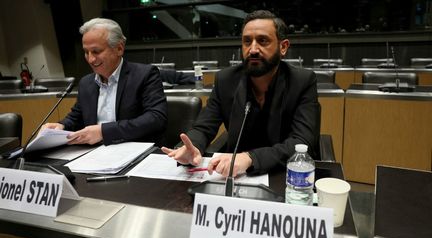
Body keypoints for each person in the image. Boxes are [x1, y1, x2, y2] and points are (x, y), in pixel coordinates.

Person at [161, 10, 320, 177]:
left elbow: (302, 142)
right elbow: (204, 127)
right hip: (234, 175)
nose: (252, 49)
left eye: (262, 41)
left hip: (285, 175)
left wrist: (250, 158)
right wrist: (191, 146)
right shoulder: (226, 80)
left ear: (283, 47)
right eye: (246, 41)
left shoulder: (302, 81)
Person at [42, 18, 167, 146]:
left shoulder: (145, 75)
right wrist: (61, 126)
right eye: (86, 52)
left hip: (134, 151)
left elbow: (156, 118)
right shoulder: (86, 83)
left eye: (96, 51)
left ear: (119, 48)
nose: (90, 59)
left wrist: (103, 132)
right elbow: (76, 118)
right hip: (94, 153)